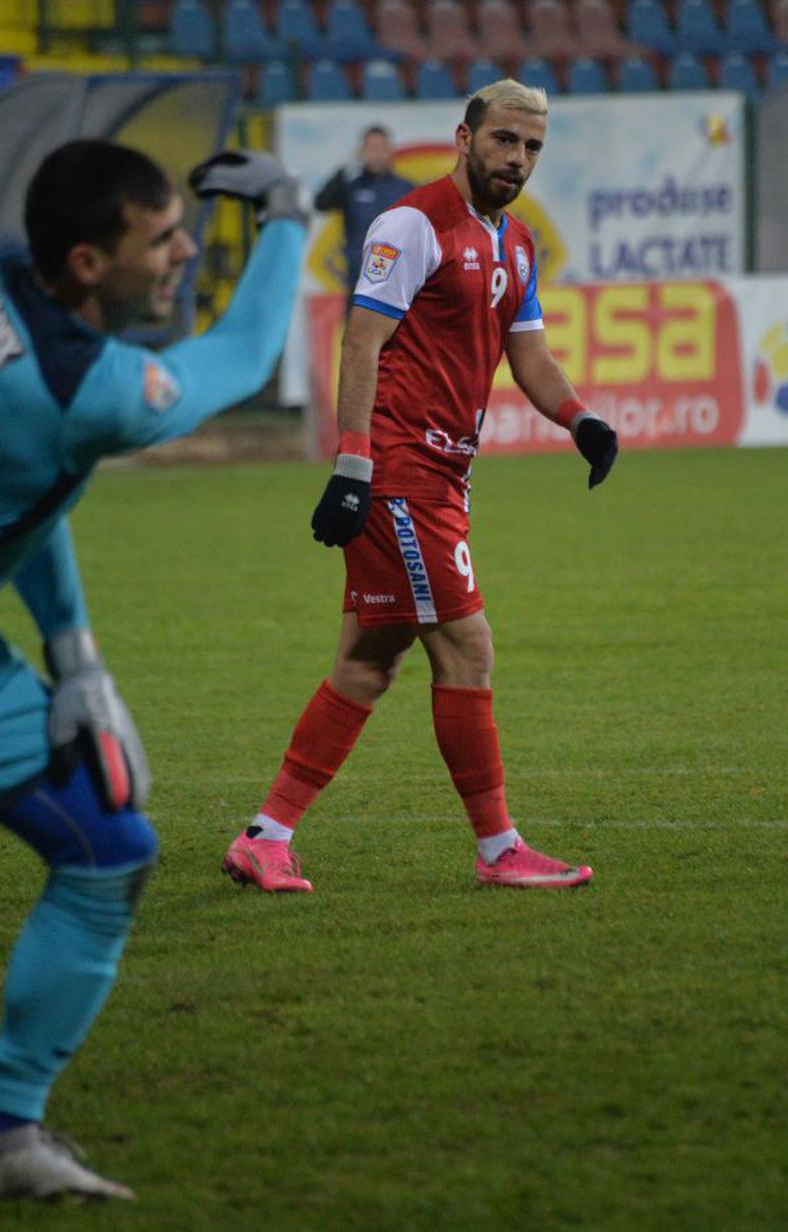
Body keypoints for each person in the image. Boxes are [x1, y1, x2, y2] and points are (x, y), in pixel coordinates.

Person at [0, 138, 308, 1200]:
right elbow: (241, 358)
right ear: (90, 263)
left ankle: (1, 1138)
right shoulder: (83, 387)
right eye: (162, 240)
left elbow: (28, 492)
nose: (185, 254)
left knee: (110, 848)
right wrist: (284, 216)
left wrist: (74, 655)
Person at [221, 79, 619, 896]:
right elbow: (361, 343)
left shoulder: (514, 244)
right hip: (398, 473)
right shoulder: (412, 224)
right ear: (465, 136)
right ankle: (500, 846)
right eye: (505, 141)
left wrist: (581, 420)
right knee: (467, 648)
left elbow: (529, 356)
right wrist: (354, 465)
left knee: (369, 663)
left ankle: (266, 835)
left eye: (533, 148)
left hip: (442, 476)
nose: (518, 159)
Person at [314, 125, 414, 312]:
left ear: (390, 151)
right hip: (358, 283)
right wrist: (344, 170)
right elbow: (320, 204)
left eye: (381, 149)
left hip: (399, 285)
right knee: (357, 341)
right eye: (370, 149)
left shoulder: (406, 189)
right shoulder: (350, 187)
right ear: (362, 152)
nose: (376, 155)